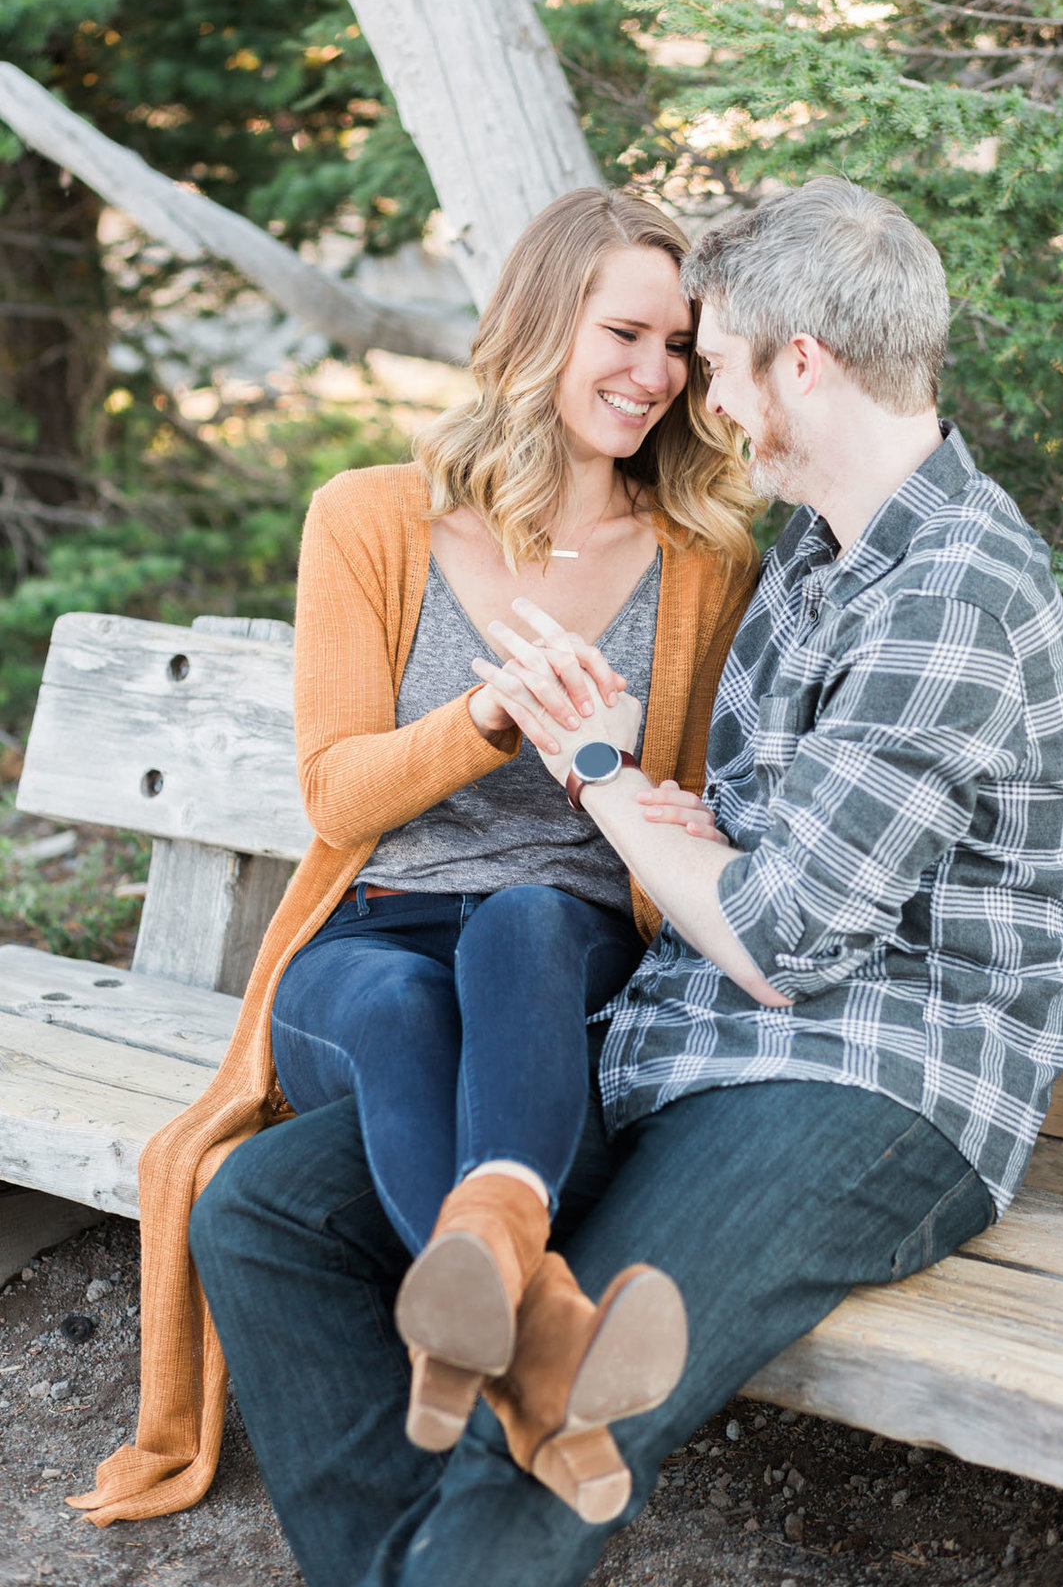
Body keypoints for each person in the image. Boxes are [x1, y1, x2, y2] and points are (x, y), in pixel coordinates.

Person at [142, 176, 1063, 1587]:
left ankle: (517, 1382)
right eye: (653, 347)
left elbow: (779, 931)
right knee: (264, 1209)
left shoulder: (947, 586)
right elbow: (710, 838)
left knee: (563, 1384)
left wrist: (600, 778)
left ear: (802, 363)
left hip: (874, 1073)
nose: (689, 395)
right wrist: (626, 799)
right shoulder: (817, 564)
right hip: (686, 1029)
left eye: (707, 360)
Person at [66, 186, 759, 1531]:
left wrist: (613, 765)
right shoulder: (374, 517)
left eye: (679, 346)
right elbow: (336, 796)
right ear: (541, 321)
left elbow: (692, 812)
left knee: (522, 921)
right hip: (372, 925)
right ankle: (538, 1337)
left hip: (563, 946)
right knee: (387, 1000)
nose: (655, 374)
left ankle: (484, 1310)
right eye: (625, 332)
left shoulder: (698, 559)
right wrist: (488, 716)